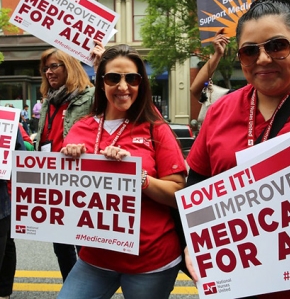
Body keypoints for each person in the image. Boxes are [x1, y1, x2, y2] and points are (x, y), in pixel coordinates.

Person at [185, 0, 290, 298]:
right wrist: (193, 243)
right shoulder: (220, 112)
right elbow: (196, 187)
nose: (263, 58)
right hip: (239, 287)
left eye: (277, 46)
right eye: (249, 50)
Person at [57, 44, 187, 299]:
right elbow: (62, 192)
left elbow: (178, 193)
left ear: (142, 82)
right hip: (95, 257)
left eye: (132, 78)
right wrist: (68, 162)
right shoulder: (80, 128)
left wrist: (137, 177)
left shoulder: (155, 128)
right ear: (101, 82)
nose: (124, 86)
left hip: (150, 260)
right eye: (114, 78)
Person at [34, 48, 95, 282]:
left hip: (80, 180)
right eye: (46, 68)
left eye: (54, 66)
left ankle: (87, 290)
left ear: (69, 67)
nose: (49, 72)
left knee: (84, 244)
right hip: (53, 181)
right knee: (61, 245)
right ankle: (71, 287)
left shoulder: (90, 96)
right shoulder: (49, 100)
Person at [0, 129, 26, 299]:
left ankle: (4, 292)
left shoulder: (5, 121)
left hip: (2, 203)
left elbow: (21, 157)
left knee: (6, 244)